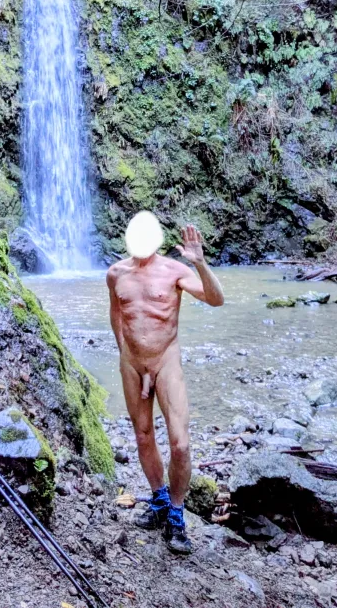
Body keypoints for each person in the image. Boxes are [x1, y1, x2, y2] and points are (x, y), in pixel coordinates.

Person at [106, 212, 224, 554]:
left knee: (181, 444)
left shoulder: (175, 271)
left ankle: (176, 511)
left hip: (166, 361)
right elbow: (118, 317)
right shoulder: (115, 274)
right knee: (143, 435)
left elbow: (216, 299)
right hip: (132, 364)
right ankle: (159, 500)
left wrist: (200, 263)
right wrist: (130, 359)